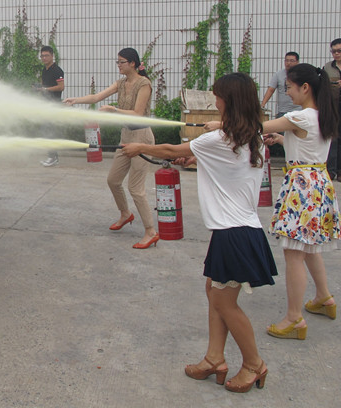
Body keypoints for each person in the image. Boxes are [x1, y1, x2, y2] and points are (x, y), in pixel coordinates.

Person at [123, 72, 276, 394]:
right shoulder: (252, 137)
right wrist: (195, 156)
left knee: (225, 302)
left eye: (217, 96)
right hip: (241, 230)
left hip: (233, 233)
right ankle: (214, 359)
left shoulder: (217, 140)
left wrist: (139, 147)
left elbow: (167, 149)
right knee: (214, 292)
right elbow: (218, 161)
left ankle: (254, 364)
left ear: (228, 102)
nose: (214, 101)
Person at [260, 63, 339, 339]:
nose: (288, 93)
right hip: (318, 181)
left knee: (293, 252)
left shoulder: (302, 116)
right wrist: (283, 140)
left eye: (290, 88)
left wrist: (221, 123)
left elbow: (256, 125)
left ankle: (294, 318)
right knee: (308, 247)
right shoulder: (320, 115)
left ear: (305, 88)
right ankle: (324, 298)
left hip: (302, 187)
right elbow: (308, 145)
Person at [64, 48, 158, 248]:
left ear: (132, 63)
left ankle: (150, 231)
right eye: (117, 62)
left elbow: (138, 114)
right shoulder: (121, 83)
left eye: (121, 62)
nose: (118, 65)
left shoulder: (144, 84)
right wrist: (75, 100)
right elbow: (97, 97)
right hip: (126, 135)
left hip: (141, 137)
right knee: (113, 180)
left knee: (136, 188)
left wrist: (113, 109)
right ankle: (125, 214)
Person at [38, 45, 64, 167]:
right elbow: (44, 86)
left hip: (54, 105)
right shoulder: (44, 70)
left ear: (52, 56)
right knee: (47, 130)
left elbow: (61, 87)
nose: (44, 58)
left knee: (50, 130)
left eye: (46, 55)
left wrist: (46, 89)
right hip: (46, 104)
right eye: (42, 56)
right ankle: (52, 156)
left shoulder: (57, 71)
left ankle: (52, 157)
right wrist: (39, 89)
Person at [323, 38, 341, 180]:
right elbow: (322, 86)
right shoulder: (327, 67)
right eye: (333, 51)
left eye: (339, 51)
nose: (336, 54)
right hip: (333, 107)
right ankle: (331, 170)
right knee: (333, 138)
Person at [261, 52, 300, 117]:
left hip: (299, 110)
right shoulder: (278, 74)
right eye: (287, 60)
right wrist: (263, 104)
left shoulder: (302, 74)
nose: (289, 63)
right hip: (283, 111)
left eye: (292, 61)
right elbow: (271, 89)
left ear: (297, 62)